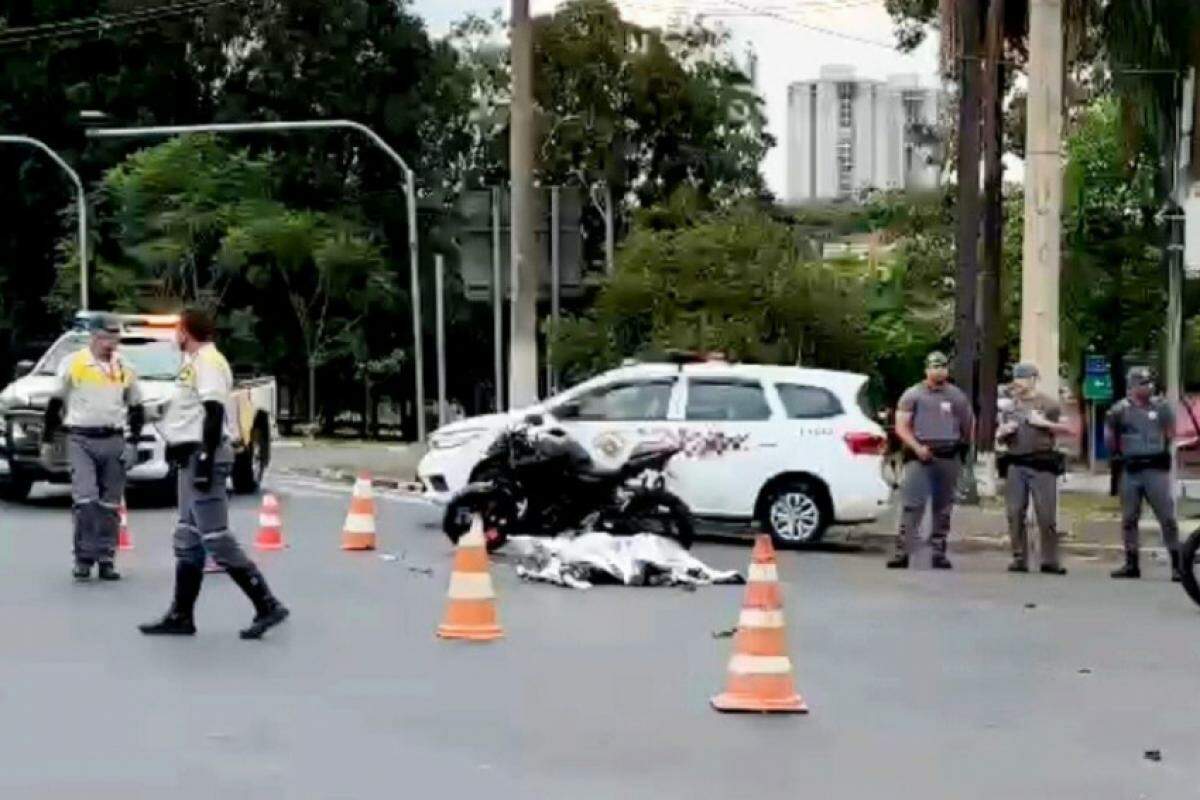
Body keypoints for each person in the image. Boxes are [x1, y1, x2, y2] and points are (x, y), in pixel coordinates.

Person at [139, 308, 290, 639]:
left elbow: (213, 411)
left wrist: (206, 460)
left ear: (186, 331)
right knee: (188, 537)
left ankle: (267, 604)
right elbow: (186, 409)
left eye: (178, 329)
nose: (175, 336)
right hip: (188, 456)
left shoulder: (209, 362)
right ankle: (180, 615)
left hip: (202, 456)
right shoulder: (192, 364)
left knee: (215, 538)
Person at [43, 316, 144, 581]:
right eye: (106, 337)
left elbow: (136, 407)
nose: (111, 344)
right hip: (81, 438)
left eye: (115, 338)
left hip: (113, 438)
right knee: (86, 500)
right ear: (94, 337)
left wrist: (133, 441)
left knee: (110, 504)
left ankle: (106, 558)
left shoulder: (125, 366)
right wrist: (47, 440)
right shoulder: (74, 363)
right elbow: (55, 403)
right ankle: (83, 558)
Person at [887, 351, 974, 570]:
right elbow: (901, 426)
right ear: (926, 369)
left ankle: (938, 552)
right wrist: (917, 447)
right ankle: (902, 552)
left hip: (947, 455)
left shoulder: (956, 396)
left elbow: (968, 425)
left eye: (942, 367)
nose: (939, 371)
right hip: (919, 456)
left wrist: (961, 447)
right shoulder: (913, 395)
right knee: (912, 505)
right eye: (934, 367)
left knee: (943, 508)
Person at [1105, 367, 1182, 581]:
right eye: (1143, 382)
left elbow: (1170, 433)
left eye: (1149, 382)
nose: (1149, 386)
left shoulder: (1162, 408)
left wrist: (1159, 450)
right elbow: (1111, 436)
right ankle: (1131, 563)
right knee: (1129, 517)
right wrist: (1120, 454)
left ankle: (1177, 565)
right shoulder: (1119, 410)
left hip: (1155, 469)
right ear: (1132, 386)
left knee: (1166, 517)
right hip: (1131, 470)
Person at [996, 362, 1071, 575]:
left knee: (1046, 514)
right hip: (1016, 463)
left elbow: (1069, 429)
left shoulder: (1049, 404)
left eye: (1022, 379)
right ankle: (1019, 557)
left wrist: (1044, 424)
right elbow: (999, 438)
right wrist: (1003, 432)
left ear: (1032, 380)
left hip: (1042, 464)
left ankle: (1049, 560)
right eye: (1016, 379)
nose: (1017, 384)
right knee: (1014, 512)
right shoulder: (1009, 407)